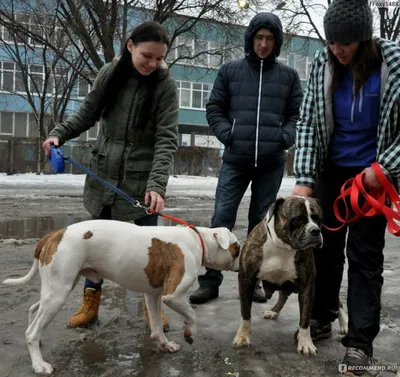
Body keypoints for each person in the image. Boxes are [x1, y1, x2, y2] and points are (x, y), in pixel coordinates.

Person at [42, 21, 179, 330]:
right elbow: (86, 113)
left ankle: (153, 309)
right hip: (105, 172)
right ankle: (90, 302)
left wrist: (157, 185)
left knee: (150, 252)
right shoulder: (109, 74)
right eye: (147, 56)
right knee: (96, 246)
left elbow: (166, 139)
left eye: (159, 58)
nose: (153, 64)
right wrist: (58, 136)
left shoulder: (165, 86)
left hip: (142, 183)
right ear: (130, 45)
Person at [292, 0, 400, 371]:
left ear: (363, 40)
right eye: (331, 41)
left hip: (372, 178)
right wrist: (305, 180)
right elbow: (307, 122)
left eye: (344, 43)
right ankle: (321, 316)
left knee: (365, 258)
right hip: (331, 171)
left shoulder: (394, 64)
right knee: (322, 248)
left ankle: (359, 342)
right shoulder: (324, 63)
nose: (336, 49)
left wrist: (382, 167)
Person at [189, 12, 303, 304]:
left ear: (276, 42)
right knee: (221, 219)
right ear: (250, 38)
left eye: (269, 39)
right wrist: (229, 134)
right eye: (259, 37)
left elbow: (297, 115)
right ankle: (210, 281)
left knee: (260, 225)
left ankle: (252, 281)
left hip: (271, 161)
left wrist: (284, 137)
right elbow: (214, 107)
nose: (263, 44)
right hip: (235, 159)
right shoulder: (230, 71)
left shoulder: (288, 77)